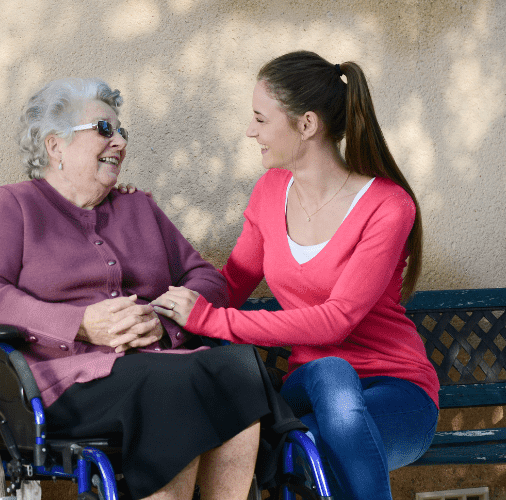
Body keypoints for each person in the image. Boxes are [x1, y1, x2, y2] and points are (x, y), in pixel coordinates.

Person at [0, 77, 301, 500]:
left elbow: (208, 279)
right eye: (105, 129)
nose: (119, 141)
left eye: (122, 131)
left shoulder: (138, 207)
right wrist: (79, 323)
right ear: (55, 146)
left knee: (240, 368)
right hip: (67, 384)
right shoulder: (16, 205)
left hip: (163, 366)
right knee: (180, 383)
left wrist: (163, 323)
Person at [151, 51, 440, 499]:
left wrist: (208, 319)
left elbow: (337, 319)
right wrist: (162, 298)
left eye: (261, 120)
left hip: (396, 389)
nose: (251, 131)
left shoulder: (388, 206)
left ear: (307, 125)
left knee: (315, 448)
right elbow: (232, 283)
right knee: (330, 373)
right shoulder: (270, 192)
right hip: (310, 384)